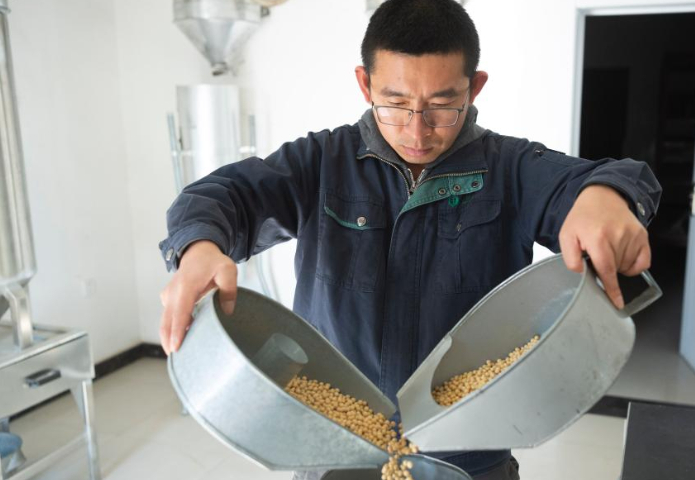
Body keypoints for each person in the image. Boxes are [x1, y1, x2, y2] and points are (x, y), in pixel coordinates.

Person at [158, 0, 661, 478]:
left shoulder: (511, 169)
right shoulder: (321, 162)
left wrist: (607, 195)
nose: (417, 132)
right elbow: (224, 196)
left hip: (470, 452)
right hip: (335, 442)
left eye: (443, 106)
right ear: (365, 84)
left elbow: (609, 178)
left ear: (474, 87)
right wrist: (198, 247)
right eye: (395, 104)